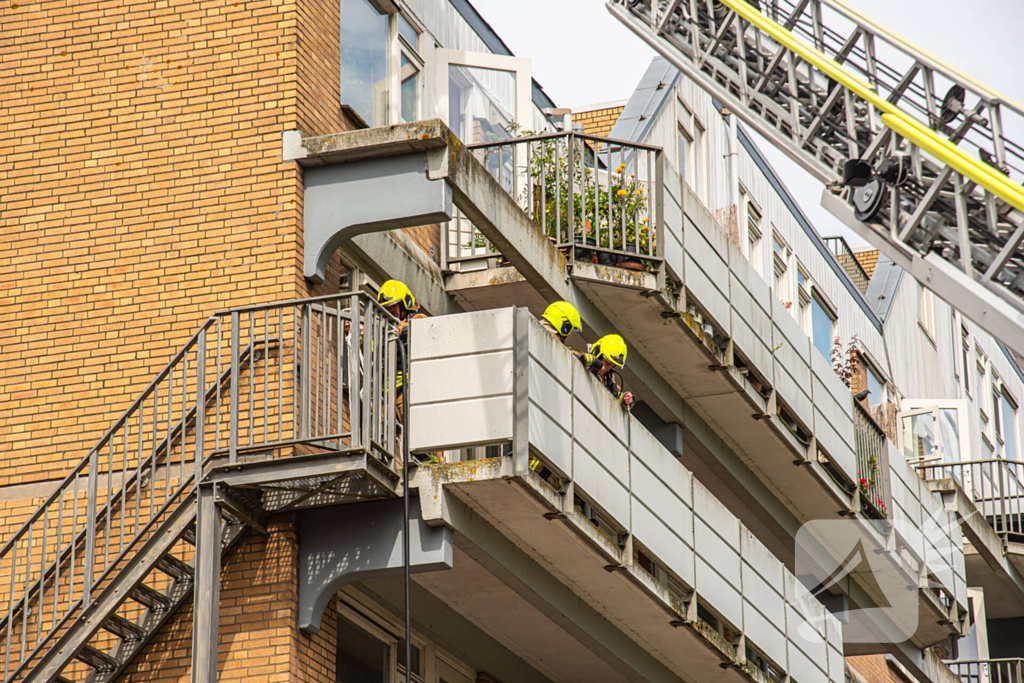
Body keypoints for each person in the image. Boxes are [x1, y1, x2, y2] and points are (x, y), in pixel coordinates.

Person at [375, 280, 439, 464]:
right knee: (382, 426)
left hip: (411, 384)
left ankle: (425, 457)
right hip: (387, 390)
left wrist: (393, 329)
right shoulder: (381, 327)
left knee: (413, 423)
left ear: (404, 303)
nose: (391, 310)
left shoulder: (417, 320)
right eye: (387, 307)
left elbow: (422, 332)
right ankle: (382, 458)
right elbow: (371, 348)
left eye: (394, 305)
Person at [579, 334, 634, 409]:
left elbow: (617, 397)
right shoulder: (583, 362)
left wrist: (625, 399)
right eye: (607, 361)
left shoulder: (609, 379)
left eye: (612, 364)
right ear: (598, 353)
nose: (607, 366)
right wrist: (594, 361)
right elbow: (572, 355)